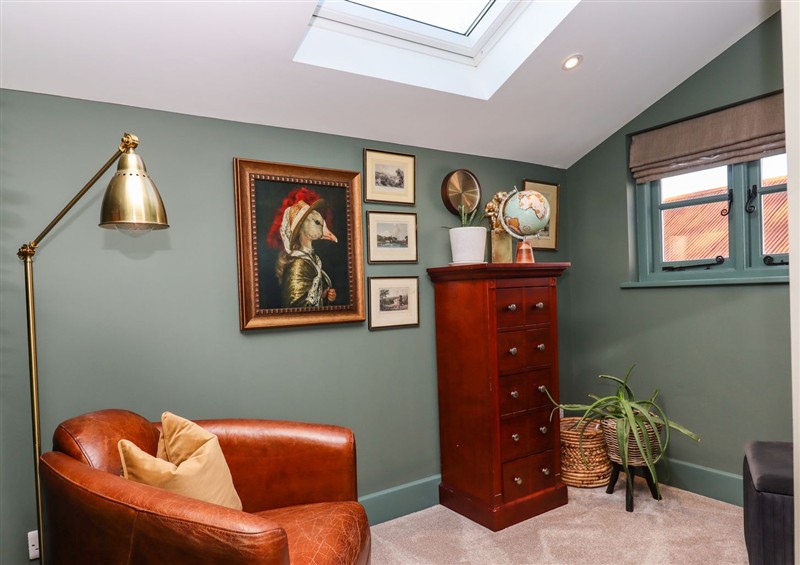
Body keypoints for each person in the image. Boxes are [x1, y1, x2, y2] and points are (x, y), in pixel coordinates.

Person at [267, 188, 338, 308]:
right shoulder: (298, 265)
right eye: (317, 222)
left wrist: (325, 296)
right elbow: (296, 305)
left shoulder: (312, 260)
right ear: (302, 227)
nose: (329, 233)